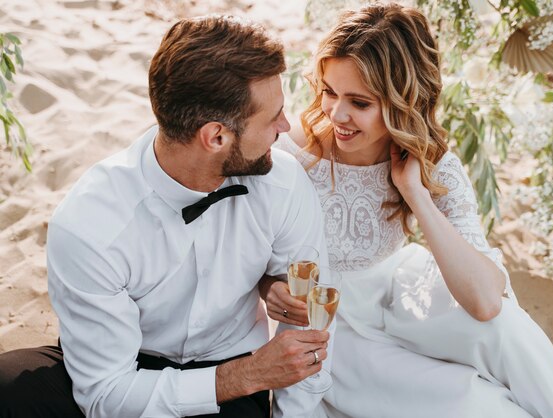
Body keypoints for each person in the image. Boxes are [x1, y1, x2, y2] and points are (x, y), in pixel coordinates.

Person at [262, 3, 553, 418]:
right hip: (336, 321)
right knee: (476, 404)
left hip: (401, 294)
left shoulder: (433, 166)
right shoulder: (290, 153)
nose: (337, 114)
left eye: (360, 103)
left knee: (506, 330)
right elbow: (245, 243)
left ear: (404, 101)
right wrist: (267, 286)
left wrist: (416, 195)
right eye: (329, 92)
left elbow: (485, 302)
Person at [0, 15, 332, 418]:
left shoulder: (283, 185)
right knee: (9, 387)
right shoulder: (90, 224)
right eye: (273, 117)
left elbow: (306, 331)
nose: (285, 126)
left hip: (228, 371)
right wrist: (249, 375)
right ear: (216, 137)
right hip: (129, 364)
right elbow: (107, 394)